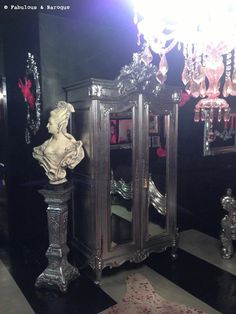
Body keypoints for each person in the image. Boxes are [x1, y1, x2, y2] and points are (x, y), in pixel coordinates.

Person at [33, 101, 84, 184]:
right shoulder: (45, 145)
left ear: (60, 126)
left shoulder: (72, 147)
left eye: (50, 123)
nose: (47, 126)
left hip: (62, 184)